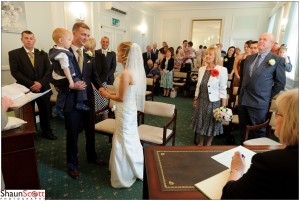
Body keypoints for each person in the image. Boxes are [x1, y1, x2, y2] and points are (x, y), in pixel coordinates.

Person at [222, 89, 298, 199]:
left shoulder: (269, 163)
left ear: (291, 122)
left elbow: (229, 196)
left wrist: (236, 170)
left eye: (278, 113)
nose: (275, 117)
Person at [100, 42, 145, 188]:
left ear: (125, 55)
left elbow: (121, 98)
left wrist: (106, 94)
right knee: (126, 136)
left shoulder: (126, 74)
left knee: (123, 138)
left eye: (119, 51)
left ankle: (124, 173)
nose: (117, 54)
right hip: (127, 109)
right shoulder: (130, 71)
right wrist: (109, 93)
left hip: (125, 110)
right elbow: (122, 93)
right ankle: (129, 167)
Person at [64, 22, 105, 179]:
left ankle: (92, 156)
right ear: (74, 33)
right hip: (71, 100)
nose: (85, 38)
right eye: (83, 34)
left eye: (88, 35)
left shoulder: (89, 55)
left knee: (90, 131)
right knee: (72, 133)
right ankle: (72, 164)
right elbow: (55, 77)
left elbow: (94, 76)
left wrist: (102, 89)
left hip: (88, 99)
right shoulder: (63, 53)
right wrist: (71, 85)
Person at [9, 30, 57, 140]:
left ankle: (47, 131)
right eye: (26, 38)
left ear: (34, 40)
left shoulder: (43, 54)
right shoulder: (14, 54)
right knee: (28, 113)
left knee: (45, 111)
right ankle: (31, 133)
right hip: (26, 89)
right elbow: (15, 72)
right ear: (22, 39)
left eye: (31, 38)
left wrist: (40, 83)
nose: (29, 40)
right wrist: (32, 84)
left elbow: (48, 71)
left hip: (43, 88)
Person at [238, 33, 286, 143]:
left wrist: (267, 95)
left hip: (259, 102)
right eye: (260, 39)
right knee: (243, 129)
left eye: (265, 39)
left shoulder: (277, 60)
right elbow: (244, 79)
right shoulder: (249, 58)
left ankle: (256, 156)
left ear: (272, 44)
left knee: (257, 131)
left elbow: (280, 84)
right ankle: (243, 151)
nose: (261, 41)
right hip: (243, 100)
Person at [191, 45, 228, 146]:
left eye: (210, 54)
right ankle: (201, 141)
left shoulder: (222, 70)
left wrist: (223, 107)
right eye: (206, 54)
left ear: (215, 56)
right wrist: (195, 98)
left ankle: (209, 142)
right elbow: (198, 85)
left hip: (213, 101)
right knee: (201, 121)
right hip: (202, 99)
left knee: (211, 122)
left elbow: (223, 89)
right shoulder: (201, 69)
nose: (207, 56)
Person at [49, 28, 90, 117]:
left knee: (62, 93)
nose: (70, 42)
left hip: (59, 77)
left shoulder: (53, 51)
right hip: (67, 78)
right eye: (69, 40)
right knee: (81, 83)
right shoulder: (63, 54)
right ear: (61, 40)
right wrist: (71, 82)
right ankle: (80, 103)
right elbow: (65, 68)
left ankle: (58, 108)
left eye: (88, 35)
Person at [87, 38, 109, 121]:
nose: (90, 51)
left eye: (92, 49)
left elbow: (105, 72)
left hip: (101, 84)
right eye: (88, 49)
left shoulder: (101, 56)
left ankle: (105, 121)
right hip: (90, 85)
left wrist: (97, 83)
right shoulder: (86, 56)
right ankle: (92, 122)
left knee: (104, 106)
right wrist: (90, 83)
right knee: (92, 106)